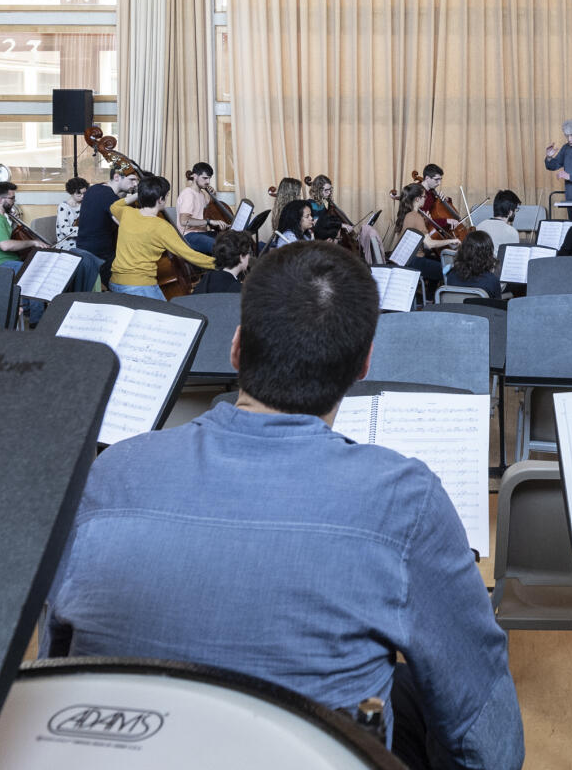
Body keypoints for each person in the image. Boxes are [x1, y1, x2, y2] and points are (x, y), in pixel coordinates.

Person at [44, 242, 525, 770]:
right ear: (363, 365)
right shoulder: (407, 502)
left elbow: (55, 669)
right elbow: (487, 743)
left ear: (237, 347)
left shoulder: (110, 473)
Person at [0, 181, 102, 298]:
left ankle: (34, 304)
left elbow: (7, 236)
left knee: (40, 268)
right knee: (37, 274)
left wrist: (13, 221)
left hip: (6, 259)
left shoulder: (0, 216)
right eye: (12, 198)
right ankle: (37, 313)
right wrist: (33, 242)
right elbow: (5, 245)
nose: (14, 201)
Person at [108, 174, 217, 300]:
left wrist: (141, 194)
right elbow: (189, 254)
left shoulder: (127, 213)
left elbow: (114, 206)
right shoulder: (161, 226)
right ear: (161, 199)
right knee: (169, 313)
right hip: (139, 286)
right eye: (167, 195)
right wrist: (220, 264)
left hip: (115, 282)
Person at [76, 169, 140, 274]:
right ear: (116, 177)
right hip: (100, 255)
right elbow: (125, 224)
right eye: (132, 180)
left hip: (83, 248)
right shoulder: (108, 196)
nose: (135, 184)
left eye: (137, 181)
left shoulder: (94, 188)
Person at [394, 183, 455, 286]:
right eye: (424, 196)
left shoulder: (408, 214)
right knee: (451, 270)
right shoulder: (416, 217)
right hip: (415, 262)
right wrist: (452, 240)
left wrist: (425, 222)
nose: (425, 199)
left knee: (438, 261)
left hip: (407, 260)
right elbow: (429, 244)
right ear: (417, 199)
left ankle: (431, 294)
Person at [174, 162, 228, 256]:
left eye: (209, 178)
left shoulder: (202, 194)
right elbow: (184, 221)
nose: (208, 182)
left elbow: (208, 211)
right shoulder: (188, 194)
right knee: (220, 247)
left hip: (201, 233)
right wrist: (209, 222)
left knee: (229, 239)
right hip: (189, 235)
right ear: (195, 176)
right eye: (205, 178)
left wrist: (213, 196)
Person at [191, 229, 257, 294]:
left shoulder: (208, 277)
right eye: (249, 253)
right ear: (241, 256)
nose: (249, 256)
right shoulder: (239, 291)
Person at [444, 230, 502, 298]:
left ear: (463, 250)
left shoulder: (451, 276)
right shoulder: (492, 281)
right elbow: (497, 304)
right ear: (488, 254)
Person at [55, 177, 88, 251]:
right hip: (66, 244)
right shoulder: (63, 207)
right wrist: (85, 230)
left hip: (81, 241)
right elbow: (64, 230)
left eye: (84, 193)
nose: (82, 196)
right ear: (72, 192)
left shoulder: (84, 204)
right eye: (79, 193)